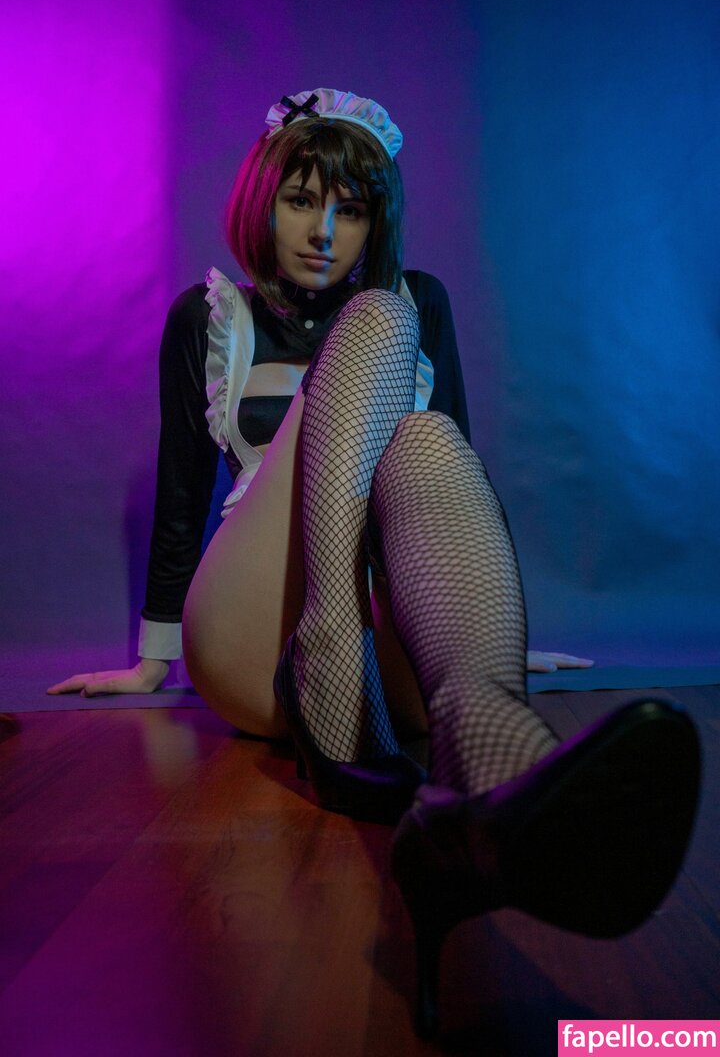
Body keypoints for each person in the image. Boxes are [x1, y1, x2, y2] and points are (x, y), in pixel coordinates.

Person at [49, 89, 700, 1037]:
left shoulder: (421, 298)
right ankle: (326, 656)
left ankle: (499, 784)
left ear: (373, 221)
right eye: (301, 201)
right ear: (263, 202)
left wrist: (492, 626)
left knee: (426, 438)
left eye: (350, 210)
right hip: (260, 632)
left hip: (383, 643)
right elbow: (183, 495)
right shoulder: (213, 318)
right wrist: (153, 660)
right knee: (382, 322)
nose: (324, 233)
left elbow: (456, 467)